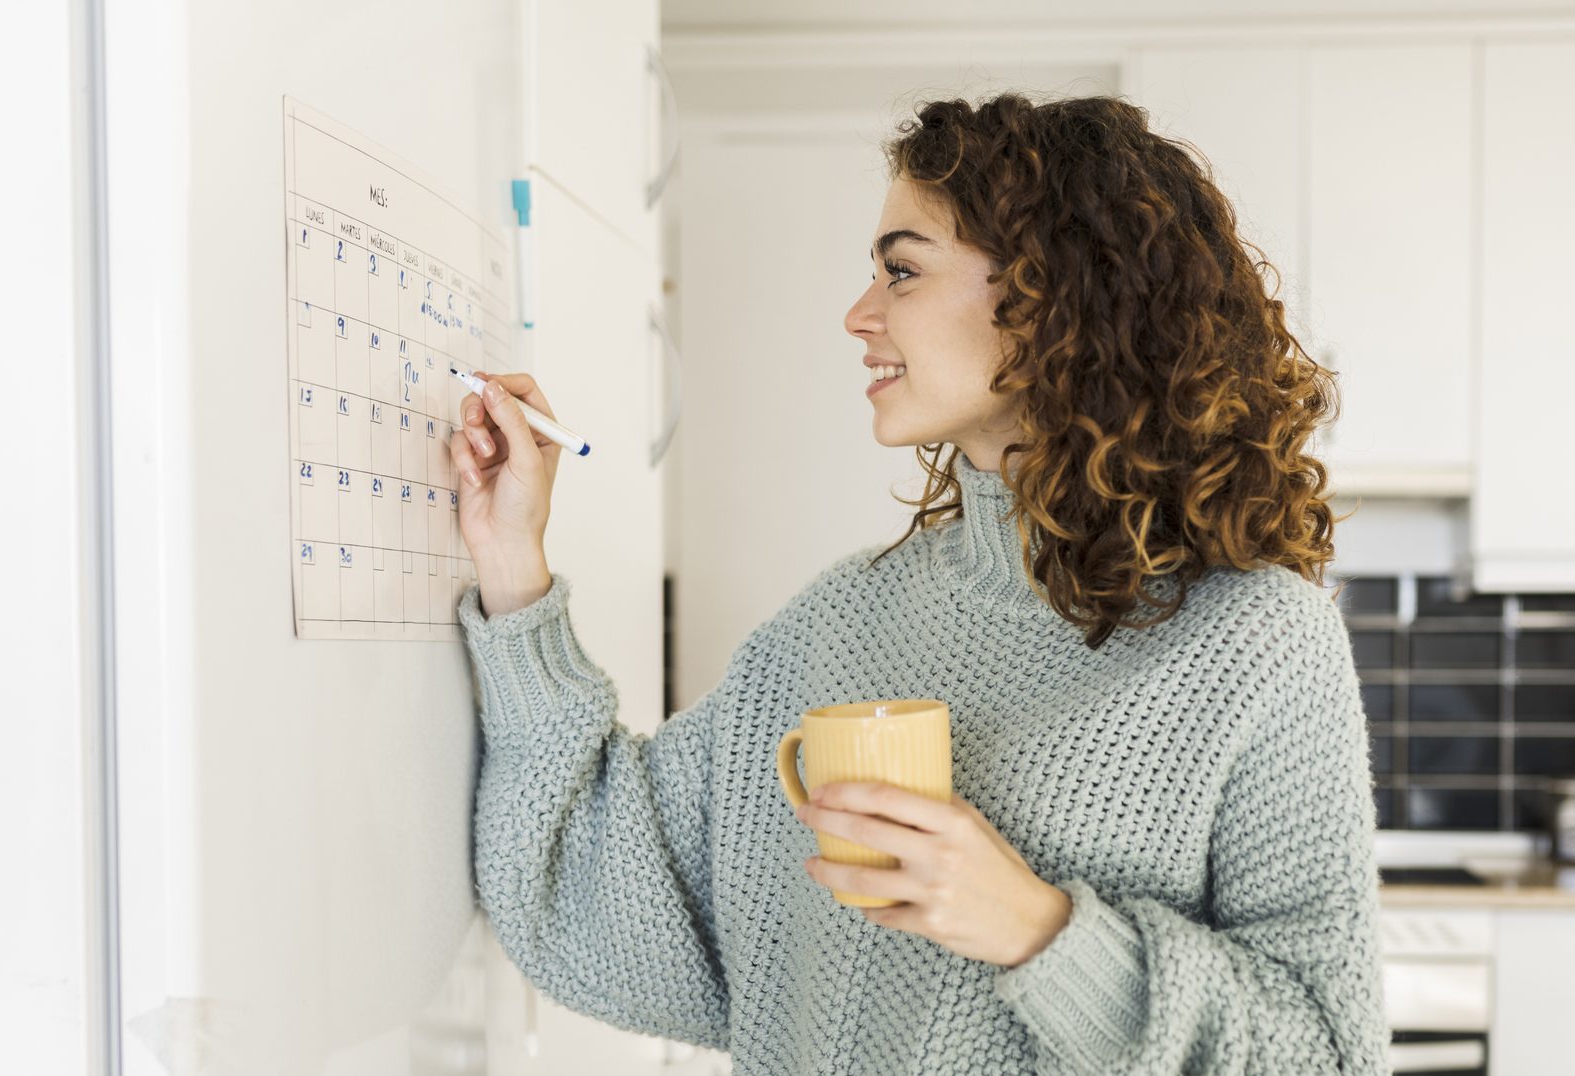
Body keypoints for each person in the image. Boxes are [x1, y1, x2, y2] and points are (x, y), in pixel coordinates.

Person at [448, 92, 1389, 1075]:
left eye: (901, 270)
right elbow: (592, 885)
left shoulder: (1258, 641)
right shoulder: (841, 621)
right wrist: (515, 565)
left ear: (1056, 294)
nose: (860, 314)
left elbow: (1326, 1051)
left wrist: (1043, 931)